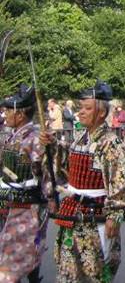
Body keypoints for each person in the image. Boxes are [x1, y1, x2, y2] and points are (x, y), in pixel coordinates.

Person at [39, 80, 125, 283]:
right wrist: (52, 145)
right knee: (69, 273)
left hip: (94, 218)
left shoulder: (110, 143)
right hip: (74, 214)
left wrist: (115, 213)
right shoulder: (82, 138)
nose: (81, 112)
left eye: (87, 108)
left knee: (93, 273)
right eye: (80, 107)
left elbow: (121, 182)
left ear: (101, 113)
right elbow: (68, 167)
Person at [0, 84, 48, 283]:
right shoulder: (13, 135)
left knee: (15, 261)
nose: (5, 114)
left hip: (27, 207)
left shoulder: (34, 137)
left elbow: (45, 172)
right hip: (9, 204)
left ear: (20, 114)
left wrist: (48, 199)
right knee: (16, 256)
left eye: (8, 110)